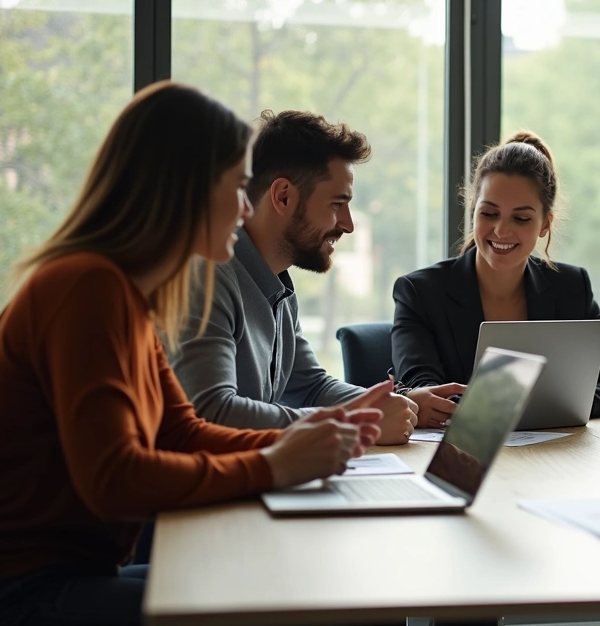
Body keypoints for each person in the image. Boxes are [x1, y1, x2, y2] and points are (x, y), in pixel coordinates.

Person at [0, 81, 388, 626]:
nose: (245, 208)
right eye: (237, 186)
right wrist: (274, 463)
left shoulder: (128, 295)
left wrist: (304, 441)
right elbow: (114, 480)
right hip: (21, 592)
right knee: (294, 607)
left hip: (74, 574)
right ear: (186, 190)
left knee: (303, 592)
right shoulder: (87, 287)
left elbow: (183, 432)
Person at [170, 109, 423, 441]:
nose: (347, 225)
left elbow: (310, 387)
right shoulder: (207, 276)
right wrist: (354, 421)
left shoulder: (277, 285)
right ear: (283, 196)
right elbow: (211, 412)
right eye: (336, 204)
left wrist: (402, 403)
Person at [391, 130, 600, 425]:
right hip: (458, 448)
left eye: (521, 218)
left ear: (545, 224)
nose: (501, 230)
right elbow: (424, 390)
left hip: (553, 451)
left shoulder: (571, 288)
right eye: (489, 213)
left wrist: (550, 407)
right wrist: (538, 405)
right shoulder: (420, 292)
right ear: (473, 209)